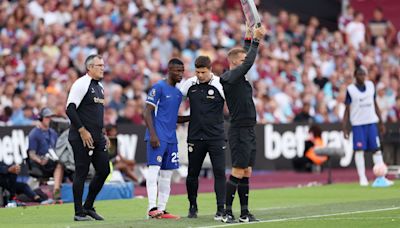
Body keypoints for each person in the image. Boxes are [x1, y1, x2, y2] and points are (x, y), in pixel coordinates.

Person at [219, 23, 266, 223]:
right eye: (242, 59)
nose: (246, 61)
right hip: (238, 130)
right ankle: (226, 212)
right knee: (238, 170)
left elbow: (245, 60)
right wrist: (256, 41)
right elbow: (247, 62)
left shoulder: (238, 75)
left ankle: (244, 213)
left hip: (248, 128)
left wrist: (248, 39)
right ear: (234, 62)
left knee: (246, 171)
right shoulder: (229, 77)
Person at [179, 56, 226, 220]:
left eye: (203, 72)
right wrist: (178, 118)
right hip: (195, 136)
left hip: (216, 137)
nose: (199, 75)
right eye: (197, 71)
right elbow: (177, 100)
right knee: (192, 173)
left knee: (219, 173)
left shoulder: (220, 84)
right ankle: (192, 206)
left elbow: (233, 103)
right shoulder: (190, 84)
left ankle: (221, 208)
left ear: (210, 69)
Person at [66, 54, 110, 221]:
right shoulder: (81, 83)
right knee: (82, 172)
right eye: (99, 65)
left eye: (103, 65)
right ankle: (78, 212)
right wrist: (82, 130)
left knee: (104, 169)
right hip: (81, 136)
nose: (102, 68)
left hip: (97, 136)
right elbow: (70, 109)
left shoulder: (100, 87)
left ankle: (88, 206)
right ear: (89, 68)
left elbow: (97, 113)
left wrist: (102, 133)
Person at [143, 58, 184, 219]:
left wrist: (191, 117)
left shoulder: (178, 93)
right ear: (169, 70)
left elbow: (173, 117)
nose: (180, 74)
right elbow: (147, 112)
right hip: (158, 136)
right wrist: (153, 134)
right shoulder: (159, 87)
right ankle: (152, 207)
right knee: (153, 171)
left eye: (182, 71)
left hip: (171, 138)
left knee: (167, 175)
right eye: (176, 70)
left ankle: (162, 209)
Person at [342, 62, 393, 187]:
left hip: (371, 122)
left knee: (377, 150)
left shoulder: (371, 86)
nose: (362, 76)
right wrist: (345, 127)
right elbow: (347, 110)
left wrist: (380, 122)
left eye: (363, 74)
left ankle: (381, 177)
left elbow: (374, 104)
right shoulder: (351, 90)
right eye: (359, 74)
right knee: (359, 150)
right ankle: (362, 178)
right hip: (358, 124)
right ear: (355, 76)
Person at [28, 107, 64, 200]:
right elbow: (31, 153)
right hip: (41, 162)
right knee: (59, 165)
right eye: (47, 117)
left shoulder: (53, 133)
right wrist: (39, 160)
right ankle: (56, 190)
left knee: (64, 163)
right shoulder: (34, 133)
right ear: (41, 118)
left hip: (52, 159)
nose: (49, 119)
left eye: (50, 117)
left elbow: (57, 148)